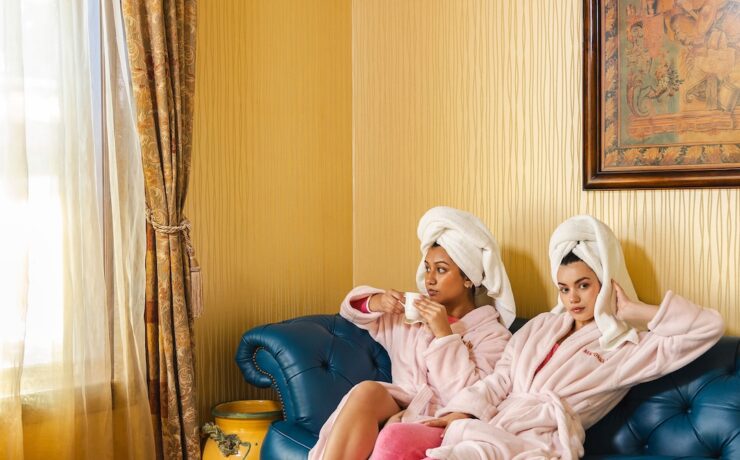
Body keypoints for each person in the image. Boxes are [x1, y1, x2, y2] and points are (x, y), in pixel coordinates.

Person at [375, 214, 724, 460]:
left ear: (607, 283)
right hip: (492, 424)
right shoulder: (541, 326)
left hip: (541, 439)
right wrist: (461, 412)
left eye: (584, 286)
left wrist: (636, 311)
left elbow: (708, 327)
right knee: (406, 440)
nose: (573, 299)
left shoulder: (626, 345)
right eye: (564, 288)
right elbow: (500, 380)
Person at [308, 206, 517, 460]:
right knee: (367, 391)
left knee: (395, 434)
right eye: (427, 268)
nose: (430, 279)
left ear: (468, 278)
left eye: (441, 270)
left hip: (443, 419)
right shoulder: (411, 317)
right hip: (400, 403)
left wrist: (444, 336)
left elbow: (468, 397)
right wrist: (377, 302)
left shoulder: (493, 336)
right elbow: (350, 311)